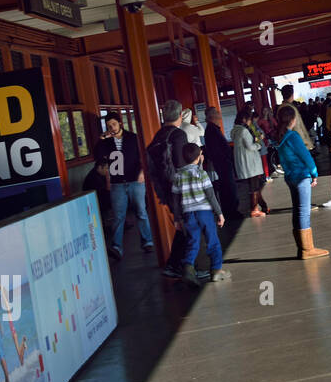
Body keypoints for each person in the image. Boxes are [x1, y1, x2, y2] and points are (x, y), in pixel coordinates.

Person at [170, 142, 231, 286]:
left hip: (188, 214)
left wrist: (177, 219)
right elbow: (210, 196)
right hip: (204, 213)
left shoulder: (178, 176)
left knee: (193, 242)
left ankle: (188, 270)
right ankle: (216, 270)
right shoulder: (202, 174)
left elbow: (175, 200)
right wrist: (220, 213)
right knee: (212, 241)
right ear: (198, 157)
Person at [276, 103, 328, 259]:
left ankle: (301, 248)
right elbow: (306, 156)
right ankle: (308, 249)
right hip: (301, 177)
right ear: (292, 119)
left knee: (298, 211)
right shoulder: (293, 137)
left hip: (291, 177)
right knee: (304, 211)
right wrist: (314, 173)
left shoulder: (281, 137)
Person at [146, 100, 190, 279]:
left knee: (183, 225)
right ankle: (181, 265)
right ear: (180, 116)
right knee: (189, 225)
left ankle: (176, 264)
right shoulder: (178, 135)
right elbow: (181, 163)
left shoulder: (158, 136)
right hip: (180, 187)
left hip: (165, 188)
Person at [98, 113, 153, 258]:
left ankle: (147, 241)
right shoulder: (106, 142)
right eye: (109, 126)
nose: (112, 128)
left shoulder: (133, 138)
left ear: (120, 124)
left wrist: (142, 172)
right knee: (118, 216)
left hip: (135, 180)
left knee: (141, 211)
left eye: (114, 125)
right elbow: (97, 156)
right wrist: (102, 140)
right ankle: (117, 247)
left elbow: (143, 156)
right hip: (117, 183)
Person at [203, 106, 241, 218]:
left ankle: (230, 210)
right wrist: (225, 159)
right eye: (216, 112)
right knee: (228, 186)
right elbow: (215, 150)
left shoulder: (213, 129)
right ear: (212, 116)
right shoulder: (211, 130)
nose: (219, 114)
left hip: (223, 163)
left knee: (227, 186)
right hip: (222, 164)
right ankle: (231, 211)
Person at [232, 106, 267, 218]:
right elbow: (250, 146)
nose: (250, 121)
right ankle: (254, 209)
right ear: (244, 119)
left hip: (243, 163)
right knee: (254, 187)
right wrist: (258, 144)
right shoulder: (244, 131)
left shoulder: (234, 130)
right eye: (249, 119)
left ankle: (264, 206)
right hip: (250, 163)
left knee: (255, 186)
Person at [281, 85, 314, 153]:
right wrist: (305, 143)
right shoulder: (289, 108)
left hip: (291, 142)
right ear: (292, 95)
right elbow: (297, 127)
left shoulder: (282, 107)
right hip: (297, 142)